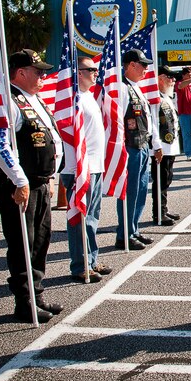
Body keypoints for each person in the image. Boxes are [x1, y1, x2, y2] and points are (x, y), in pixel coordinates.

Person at [0, 49, 64, 323]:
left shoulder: (35, 100)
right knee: (23, 243)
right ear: (20, 73)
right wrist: (20, 180)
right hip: (20, 185)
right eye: (38, 71)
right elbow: (0, 146)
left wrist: (51, 174)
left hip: (40, 183)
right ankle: (25, 303)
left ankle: (38, 295)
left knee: (40, 242)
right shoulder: (9, 100)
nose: (43, 75)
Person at [61, 55, 112, 282]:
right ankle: (80, 265)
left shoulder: (89, 96)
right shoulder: (72, 100)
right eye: (90, 70)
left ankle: (91, 260)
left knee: (92, 217)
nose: (95, 73)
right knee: (79, 219)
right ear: (78, 72)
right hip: (79, 169)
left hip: (94, 166)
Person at [117, 49, 162, 249]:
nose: (146, 68)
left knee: (141, 190)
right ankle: (125, 234)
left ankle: (133, 229)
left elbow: (147, 119)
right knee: (130, 191)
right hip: (130, 146)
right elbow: (117, 121)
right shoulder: (122, 88)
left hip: (142, 145)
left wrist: (155, 144)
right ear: (131, 65)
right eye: (143, 64)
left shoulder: (136, 88)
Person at [153, 64, 181, 226]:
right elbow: (154, 124)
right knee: (161, 180)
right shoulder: (155, 98)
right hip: (162, 147)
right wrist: (157, 145)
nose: (173, 81)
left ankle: (163, 209)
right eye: (169, 78)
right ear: (160, 79)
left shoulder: (166, 97)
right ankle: (159, 213)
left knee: (167, 179)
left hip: (170, 146)